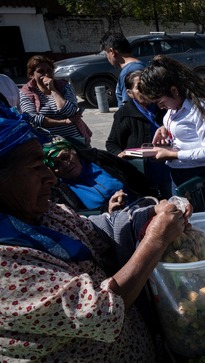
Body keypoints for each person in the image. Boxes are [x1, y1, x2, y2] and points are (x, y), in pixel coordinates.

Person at [0, 112, 191, 361]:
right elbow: (101, 311)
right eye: (37, 167)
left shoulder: (42, 212)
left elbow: (98, 230)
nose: (52, 177)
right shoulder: (7, 267)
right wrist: (156, 240)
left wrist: (150, 213)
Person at [138, 55, 205, 188]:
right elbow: (185, 127)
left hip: (199, 178)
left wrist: (172, 154)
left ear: (174, 90)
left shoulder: (202, 109)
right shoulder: (176, 106)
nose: (160, 107)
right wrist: (165, 128)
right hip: (178, 174)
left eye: (161, 102)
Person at [43, 135, 157, 213]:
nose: (65, 165)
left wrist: (156, 198)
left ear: (74, 152)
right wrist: (107, 209)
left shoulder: (99, 159)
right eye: (56, 165)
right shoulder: (59, 191)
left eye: (65, 157)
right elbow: (77, 216)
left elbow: (135, 176)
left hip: (142, 208)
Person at [19, 55, 92, 146]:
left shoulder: (64, 86)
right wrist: (64, 122)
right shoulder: (26, 92)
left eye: (49, 70)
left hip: (75, 139)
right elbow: (33, 119)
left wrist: (53, 90)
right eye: (40, 71)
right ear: (31, 74)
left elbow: (71, 111)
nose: (46, 75)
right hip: (49, 143)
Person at [106, 70, 166, 156]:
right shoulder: (124, 114)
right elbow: (112, 144)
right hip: (141, 166)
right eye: (140, 87)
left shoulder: (165, 107)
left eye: (148, 86)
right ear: (130, 93)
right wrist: (120, 154)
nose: (145, 90)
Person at [100, 31, 146, 108]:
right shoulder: (138, 65)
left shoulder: (129, 72)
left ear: (112, 51)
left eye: (106, 54)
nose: (107, 58)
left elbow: (128, 107)